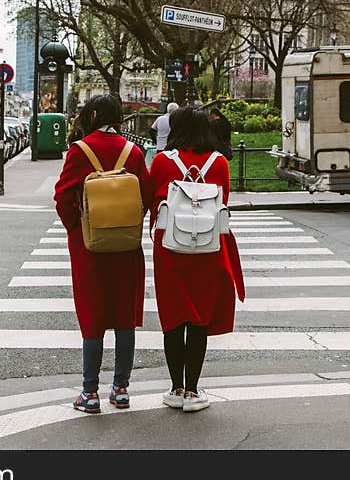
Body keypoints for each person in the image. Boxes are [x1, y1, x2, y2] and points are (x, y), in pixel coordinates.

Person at [53, 95, 153, 413]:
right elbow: (147, 194)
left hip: (90, 248)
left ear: (92, 115)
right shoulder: (133, 151)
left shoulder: (79, 151)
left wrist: (78, 229)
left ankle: (89, 392)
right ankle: (121, 389)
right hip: (126, 245)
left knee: (92, 316)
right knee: (125, 316)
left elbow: (62, 196)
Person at [149, 106, 245, 412]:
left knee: (173, 318)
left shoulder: (163, 161)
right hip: (208, 248)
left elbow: (153, 204)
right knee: (200, 318)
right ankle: (192, 391)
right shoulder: (219, 162)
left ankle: (175, 387)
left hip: (170, 250)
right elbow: (224, 202)